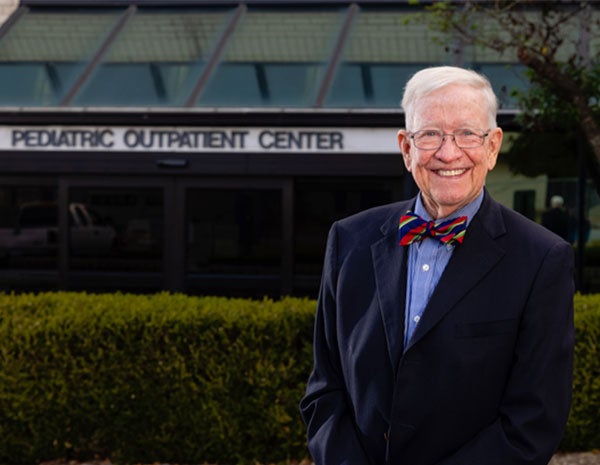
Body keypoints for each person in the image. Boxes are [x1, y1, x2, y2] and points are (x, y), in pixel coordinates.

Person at [300, 66, 574, 465]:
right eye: (430, 134)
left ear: (493, 146)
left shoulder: (542, 258)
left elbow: (533, 420)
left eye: (467, 133)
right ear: (406, 147)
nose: (448, 152)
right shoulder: (349, 239)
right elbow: (326, 387)